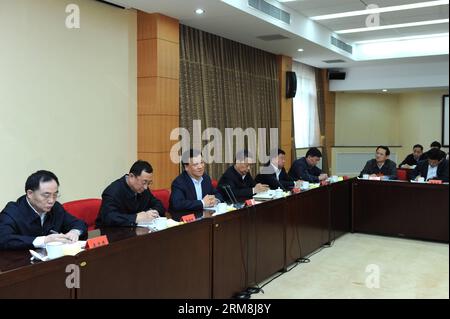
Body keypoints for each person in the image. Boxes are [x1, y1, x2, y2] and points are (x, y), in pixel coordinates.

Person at [0, 170, 87, 250]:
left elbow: (78, 223)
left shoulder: (55, 208)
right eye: (46, 195)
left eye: (55, 195)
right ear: (30, 193)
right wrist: (44, 241)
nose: (51, 200)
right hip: (20, 264)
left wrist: (74, 232)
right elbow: (4, 239)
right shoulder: (12, 212)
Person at [96, 160, 165, 227]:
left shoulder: (143, 189)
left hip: (135, 231)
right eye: (144, 182)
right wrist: (135, 218)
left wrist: (152, 213)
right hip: (111, 234)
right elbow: (109, 217)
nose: (146, 187)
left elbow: (158, 204)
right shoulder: (112, 191)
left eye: (149, 183)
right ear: (131, 176)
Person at [169, 150, 224, 221]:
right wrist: (202, 203)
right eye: (196, 164)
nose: (200, 167)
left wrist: (215, 200)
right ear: (186, 167)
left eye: (202, 162)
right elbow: (177, 204)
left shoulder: (206, 178)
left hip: (204, 217)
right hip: (185, 221)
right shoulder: (179, 182)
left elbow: (217, 194)